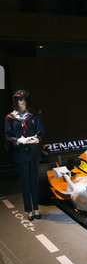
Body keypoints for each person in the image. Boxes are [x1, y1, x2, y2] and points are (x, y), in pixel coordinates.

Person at [5, 89, 45, 220]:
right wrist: (18, 141)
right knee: (25, 182)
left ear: (27, 101)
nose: (21, 102)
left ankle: (36, 209)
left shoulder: (33, 117)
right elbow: (8, 137)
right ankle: (29, 210)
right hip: (20, 154)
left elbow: (41, 132)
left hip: (33, 153)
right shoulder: (10, 118)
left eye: (23, 99)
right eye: (18, 100)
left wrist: (37, 139)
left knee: (34, 181)